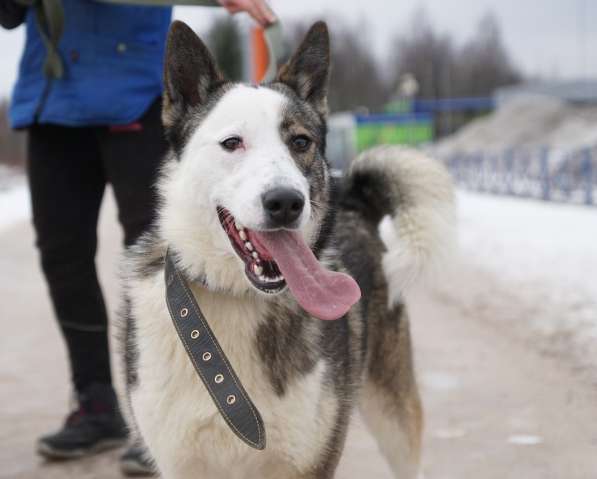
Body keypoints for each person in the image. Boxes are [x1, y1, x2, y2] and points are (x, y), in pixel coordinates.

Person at [0, 0, 274, 475]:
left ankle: (162, 405)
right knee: (62, 257)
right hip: (54, 96)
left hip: (137, 93)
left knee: (161, 256)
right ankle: (96, 403)